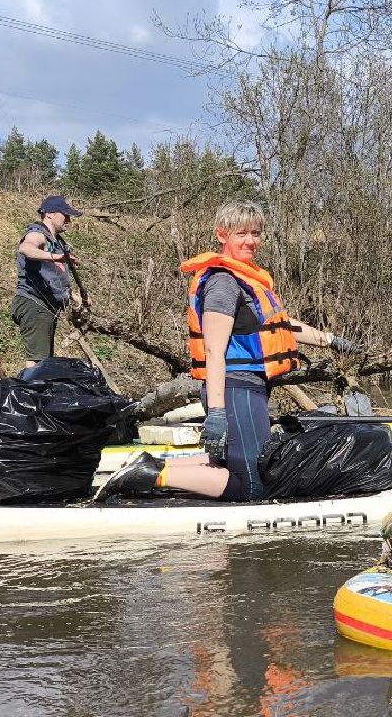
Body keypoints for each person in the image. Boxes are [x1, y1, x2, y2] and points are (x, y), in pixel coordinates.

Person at [96, 199, 355, 502]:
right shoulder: (222, 283)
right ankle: (150, 476)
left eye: (255, 234)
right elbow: (214, 351)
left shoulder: (248, 279)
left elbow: (282, 325)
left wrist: (331, 340)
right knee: (251, 484)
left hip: (250, 387)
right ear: (222, 235)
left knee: (227, 463)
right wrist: (216, 414)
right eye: (241, 233)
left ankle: (151, 465)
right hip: (234, 389)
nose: (251, 241)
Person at [12, 194, 82, 371]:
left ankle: (37, 395)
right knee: (37, 364)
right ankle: (30, 396)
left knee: (44, 362)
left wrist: (73, 296)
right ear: (50, 214)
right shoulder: (37, 233)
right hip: (34, 303)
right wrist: (56, 257)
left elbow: (53, 276)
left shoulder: (57, 242)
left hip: (45, 307)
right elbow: (26, 248)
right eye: (65, 215)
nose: (68, 219)